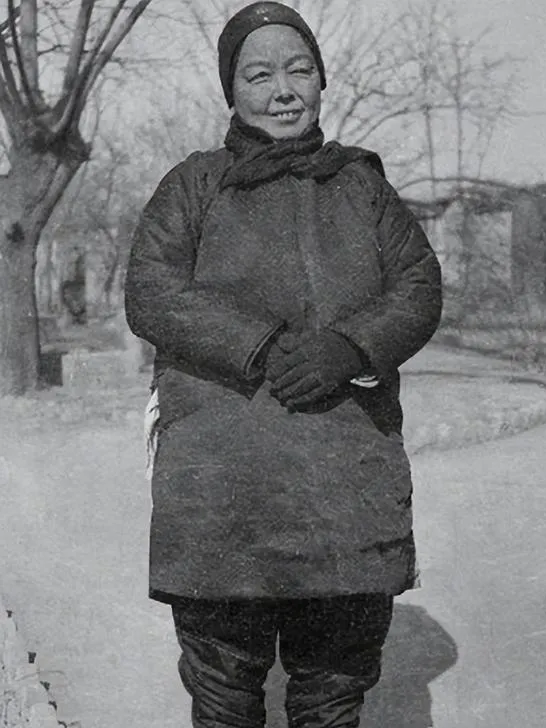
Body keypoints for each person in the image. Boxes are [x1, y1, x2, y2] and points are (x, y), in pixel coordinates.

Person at [125, 2, 442, 727]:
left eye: (299, 70)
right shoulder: (194, 185)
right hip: (222, 497)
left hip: (345, 496)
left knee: (332, 697)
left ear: (322, 81)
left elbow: (419, 285)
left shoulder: (362, 186)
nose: (283, 91)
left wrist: (350, 348)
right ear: (231, 91)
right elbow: (150, 290)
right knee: (224, 699)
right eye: (259, 75)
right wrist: (261, 344)